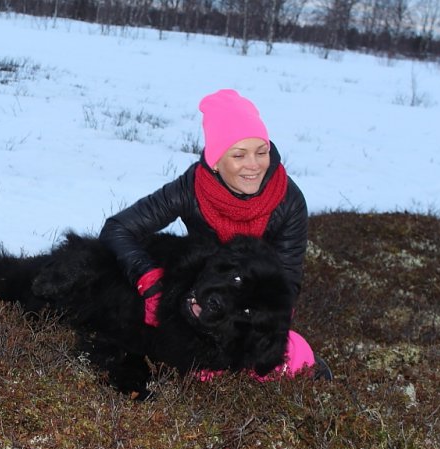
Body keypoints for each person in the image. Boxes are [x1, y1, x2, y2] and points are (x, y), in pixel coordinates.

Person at [99, 89, 330, 381]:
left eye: (262, 152)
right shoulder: (190, 188)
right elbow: (117, 229)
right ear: (216, 161)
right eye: (239, 155)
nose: (254, 165)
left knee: (287, 362)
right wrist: (149, 279)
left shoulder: (288, 200)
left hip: (246, 311)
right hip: (199, 293)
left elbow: (286, 285)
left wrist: (257, 331)